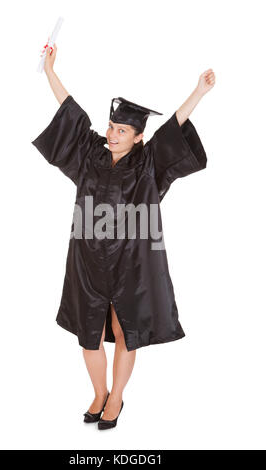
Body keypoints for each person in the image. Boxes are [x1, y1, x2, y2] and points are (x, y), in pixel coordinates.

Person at [31, 44, 215, 430]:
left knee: (123, 329)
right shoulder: (89, 154)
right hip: (87, 259)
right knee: (89, 333)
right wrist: (50, 71)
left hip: (132, 261)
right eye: (112, 127)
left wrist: (197, 92)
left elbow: (172, 131)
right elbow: (73, 115)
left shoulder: (148, 164)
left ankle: (116, 397)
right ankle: (99, 392)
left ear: (138, 137)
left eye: (122, 130)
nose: (113, 134)